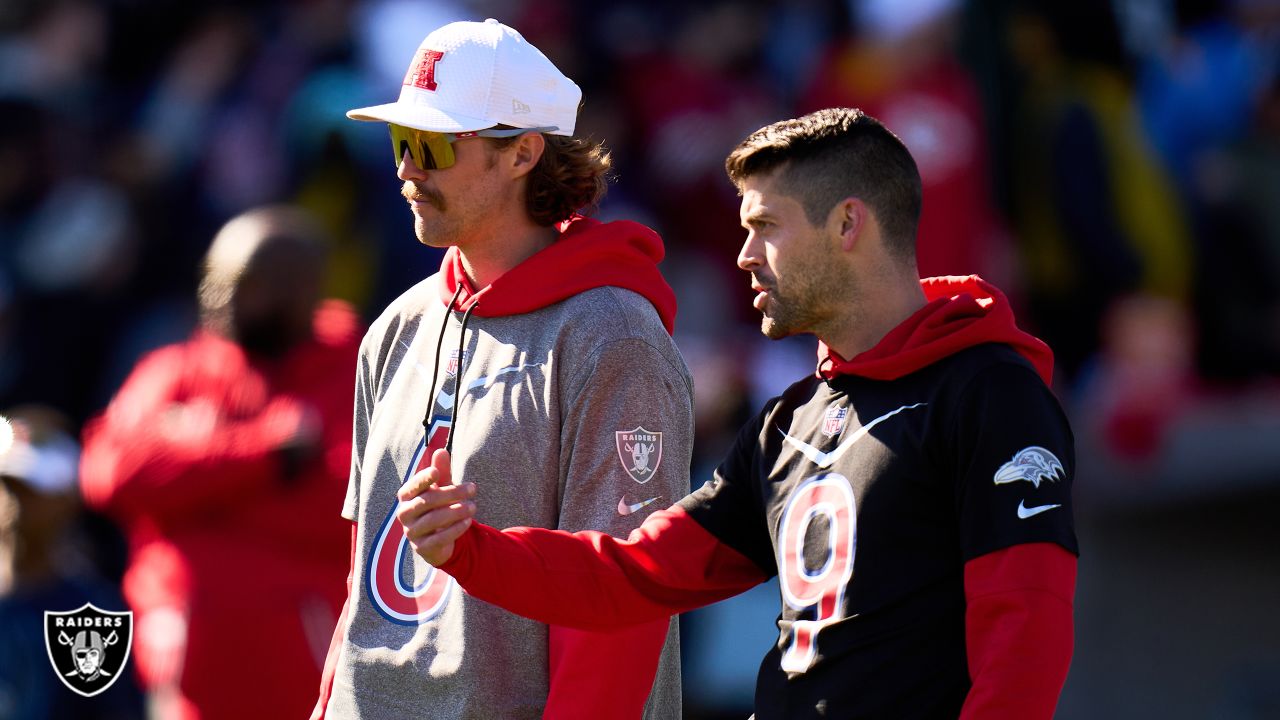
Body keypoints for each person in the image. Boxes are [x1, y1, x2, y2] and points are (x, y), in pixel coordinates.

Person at [400, 108, 1079, 719]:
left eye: (765, 227)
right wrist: (469, 550)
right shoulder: (792, 417)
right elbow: (634, 576)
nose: (744, 256)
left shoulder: (989, 390)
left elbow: (1026, 627)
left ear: (848, 224)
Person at [311, 18, 691, 720]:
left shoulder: (613, 337)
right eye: (400, 142)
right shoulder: (397, 327)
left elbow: (620, 606)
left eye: (431, 146)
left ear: (523, 153)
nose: (405, 169)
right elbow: (364, 590)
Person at [79, 205, 358, 720]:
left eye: (251, 282)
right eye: (218, 277)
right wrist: (269, 455)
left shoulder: (356, 369)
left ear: (305, 289)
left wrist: (188, 496)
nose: (225, 296)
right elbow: (110, 476)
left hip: (312, 678)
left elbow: (352, 510)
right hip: (185, 677)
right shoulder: (174, 370)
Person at [0, 406, 145, 720]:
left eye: (29, 492)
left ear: (66, 503)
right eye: (7, 487)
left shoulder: (91, 617)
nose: (13, 504)